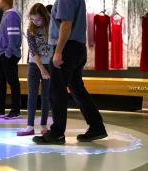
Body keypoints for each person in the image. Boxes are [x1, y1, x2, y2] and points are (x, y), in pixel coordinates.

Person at [33, 0, 108, 144]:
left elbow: (66, 24)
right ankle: (97, 126)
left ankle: (57, 133)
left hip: (67, 48)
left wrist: (58, 51)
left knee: (56, 90)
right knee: (77, 89)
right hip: (77, 47)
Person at [17, 3, 52, 136]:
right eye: (32, 19)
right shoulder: (30, 30)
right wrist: (42, 68)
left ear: (44, 17)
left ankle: (43, 125)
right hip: (34, 64)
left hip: (49, 65)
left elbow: (55, 46)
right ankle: (29, 126)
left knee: (46, 95)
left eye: (37, 19)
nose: (35, 22)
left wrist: (48, 67)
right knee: (32, 95)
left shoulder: (51, 28)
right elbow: (33, 51)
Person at [0, 0, 22, 119]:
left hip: (8, 55)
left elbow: (13, 36)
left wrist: (8, 53)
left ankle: (15, 110)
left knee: (13, 82)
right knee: (0, 81)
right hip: (2, 54)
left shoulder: (12, 15)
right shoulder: (7, 14)